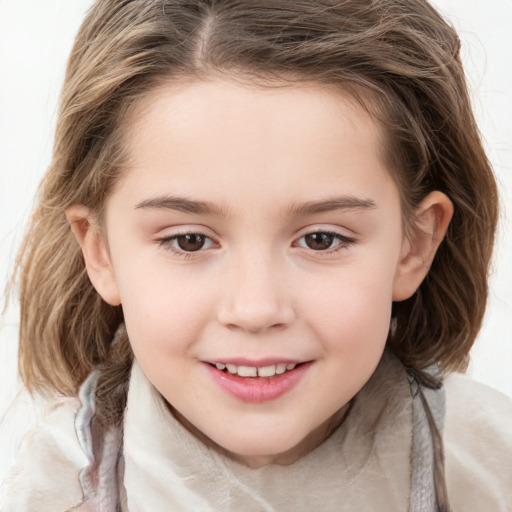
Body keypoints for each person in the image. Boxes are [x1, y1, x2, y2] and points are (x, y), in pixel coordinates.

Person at [2, 0, 511, 510]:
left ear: (414, 245)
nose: (255, 309)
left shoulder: (490, 468)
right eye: (189, 240)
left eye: (321, 239)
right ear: (101, 252)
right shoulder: (52, 491)